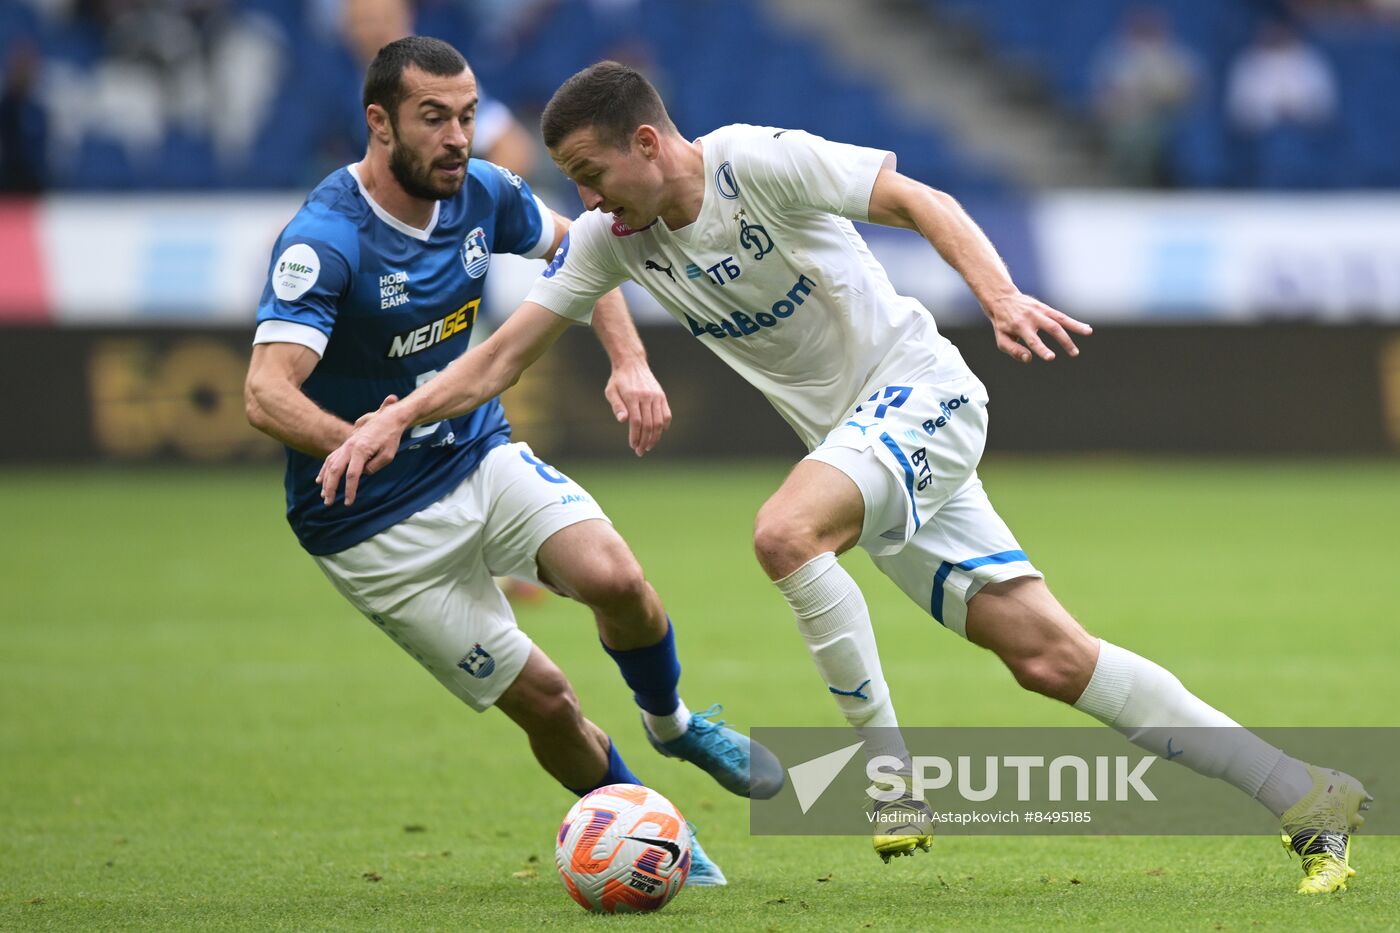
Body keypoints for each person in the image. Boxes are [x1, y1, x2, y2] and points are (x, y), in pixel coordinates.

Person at [318, 61, 1370, 894]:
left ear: (647, 142)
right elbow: (495, 362)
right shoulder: (613, 239)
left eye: (593, 176)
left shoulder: (750, 163)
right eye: (576, 188)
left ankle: (891, 775)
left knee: (783, 532)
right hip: (866, 454)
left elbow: (916, 198)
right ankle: (1303, 791)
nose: (583, 202)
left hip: (920, 397)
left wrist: (997, 296)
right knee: (1051, 660)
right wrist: (394, 417)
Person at [244, 41, 785, 888]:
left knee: (617, 578)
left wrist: (628, 360)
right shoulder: (325, 241)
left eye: (467, 116)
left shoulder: (485, 195)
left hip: (474, 457)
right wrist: (349, 438)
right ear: (379, 123)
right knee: (548, 700)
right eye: (434, 119)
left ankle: (673, 721)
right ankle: (653, 828)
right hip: (368, 529)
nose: (459, 137)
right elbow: (266, 392)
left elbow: (586, 256)